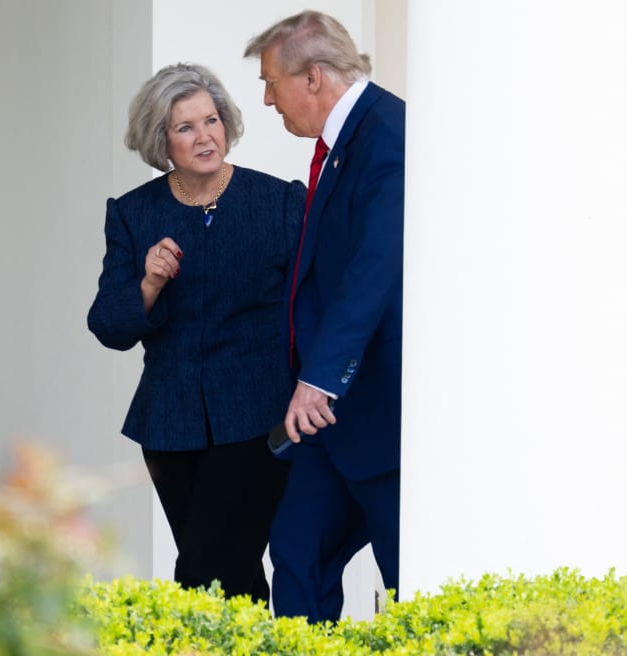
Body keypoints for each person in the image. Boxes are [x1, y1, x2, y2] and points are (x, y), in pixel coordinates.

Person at [87, 62, 305, 603]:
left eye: (211, 120)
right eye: (185, 127)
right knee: (233, 578)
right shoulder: (134, 214)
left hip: (258, 419)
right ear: (160, 138)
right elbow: (109, 326)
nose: (204, 136)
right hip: (170, 426)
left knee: (206, 575)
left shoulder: (279, 203)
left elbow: (314, 308)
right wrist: (148, 283)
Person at [244, 11, 405, 622]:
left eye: (270, 82)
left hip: (372, 405)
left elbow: (375, 271)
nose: (265, 99)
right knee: (297, 552)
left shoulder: (388, 135)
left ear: (312, 77)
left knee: (408, 575)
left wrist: (320, 377)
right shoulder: (344, 142)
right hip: (327, 415)